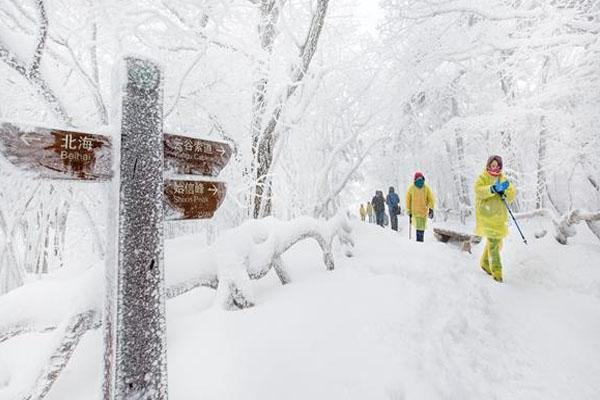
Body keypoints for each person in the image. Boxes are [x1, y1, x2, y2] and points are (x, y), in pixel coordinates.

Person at [475, 155, 516, 283]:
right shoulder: (483, 177)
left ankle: (485, 262)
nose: (495, 167)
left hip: (499, 217)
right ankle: (497, 271)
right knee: (493, 244)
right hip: (487, 215)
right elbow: (478, 190)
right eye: (493, 165)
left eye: (497, 165)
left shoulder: (502, 179)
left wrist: (504, 192)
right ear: (488, 165)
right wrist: (491, 189)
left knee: (498, 243)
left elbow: (511, 194)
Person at [405, 172, 435, 242]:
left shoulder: (411, 188)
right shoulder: (426, 188)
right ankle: (420, 241)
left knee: (419, 227)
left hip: (415, 211)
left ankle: (419, 242)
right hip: (423, 211)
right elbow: (431, 199)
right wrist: (431, 208)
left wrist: (408, 210)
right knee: (421, 227)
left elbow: (408, 200)